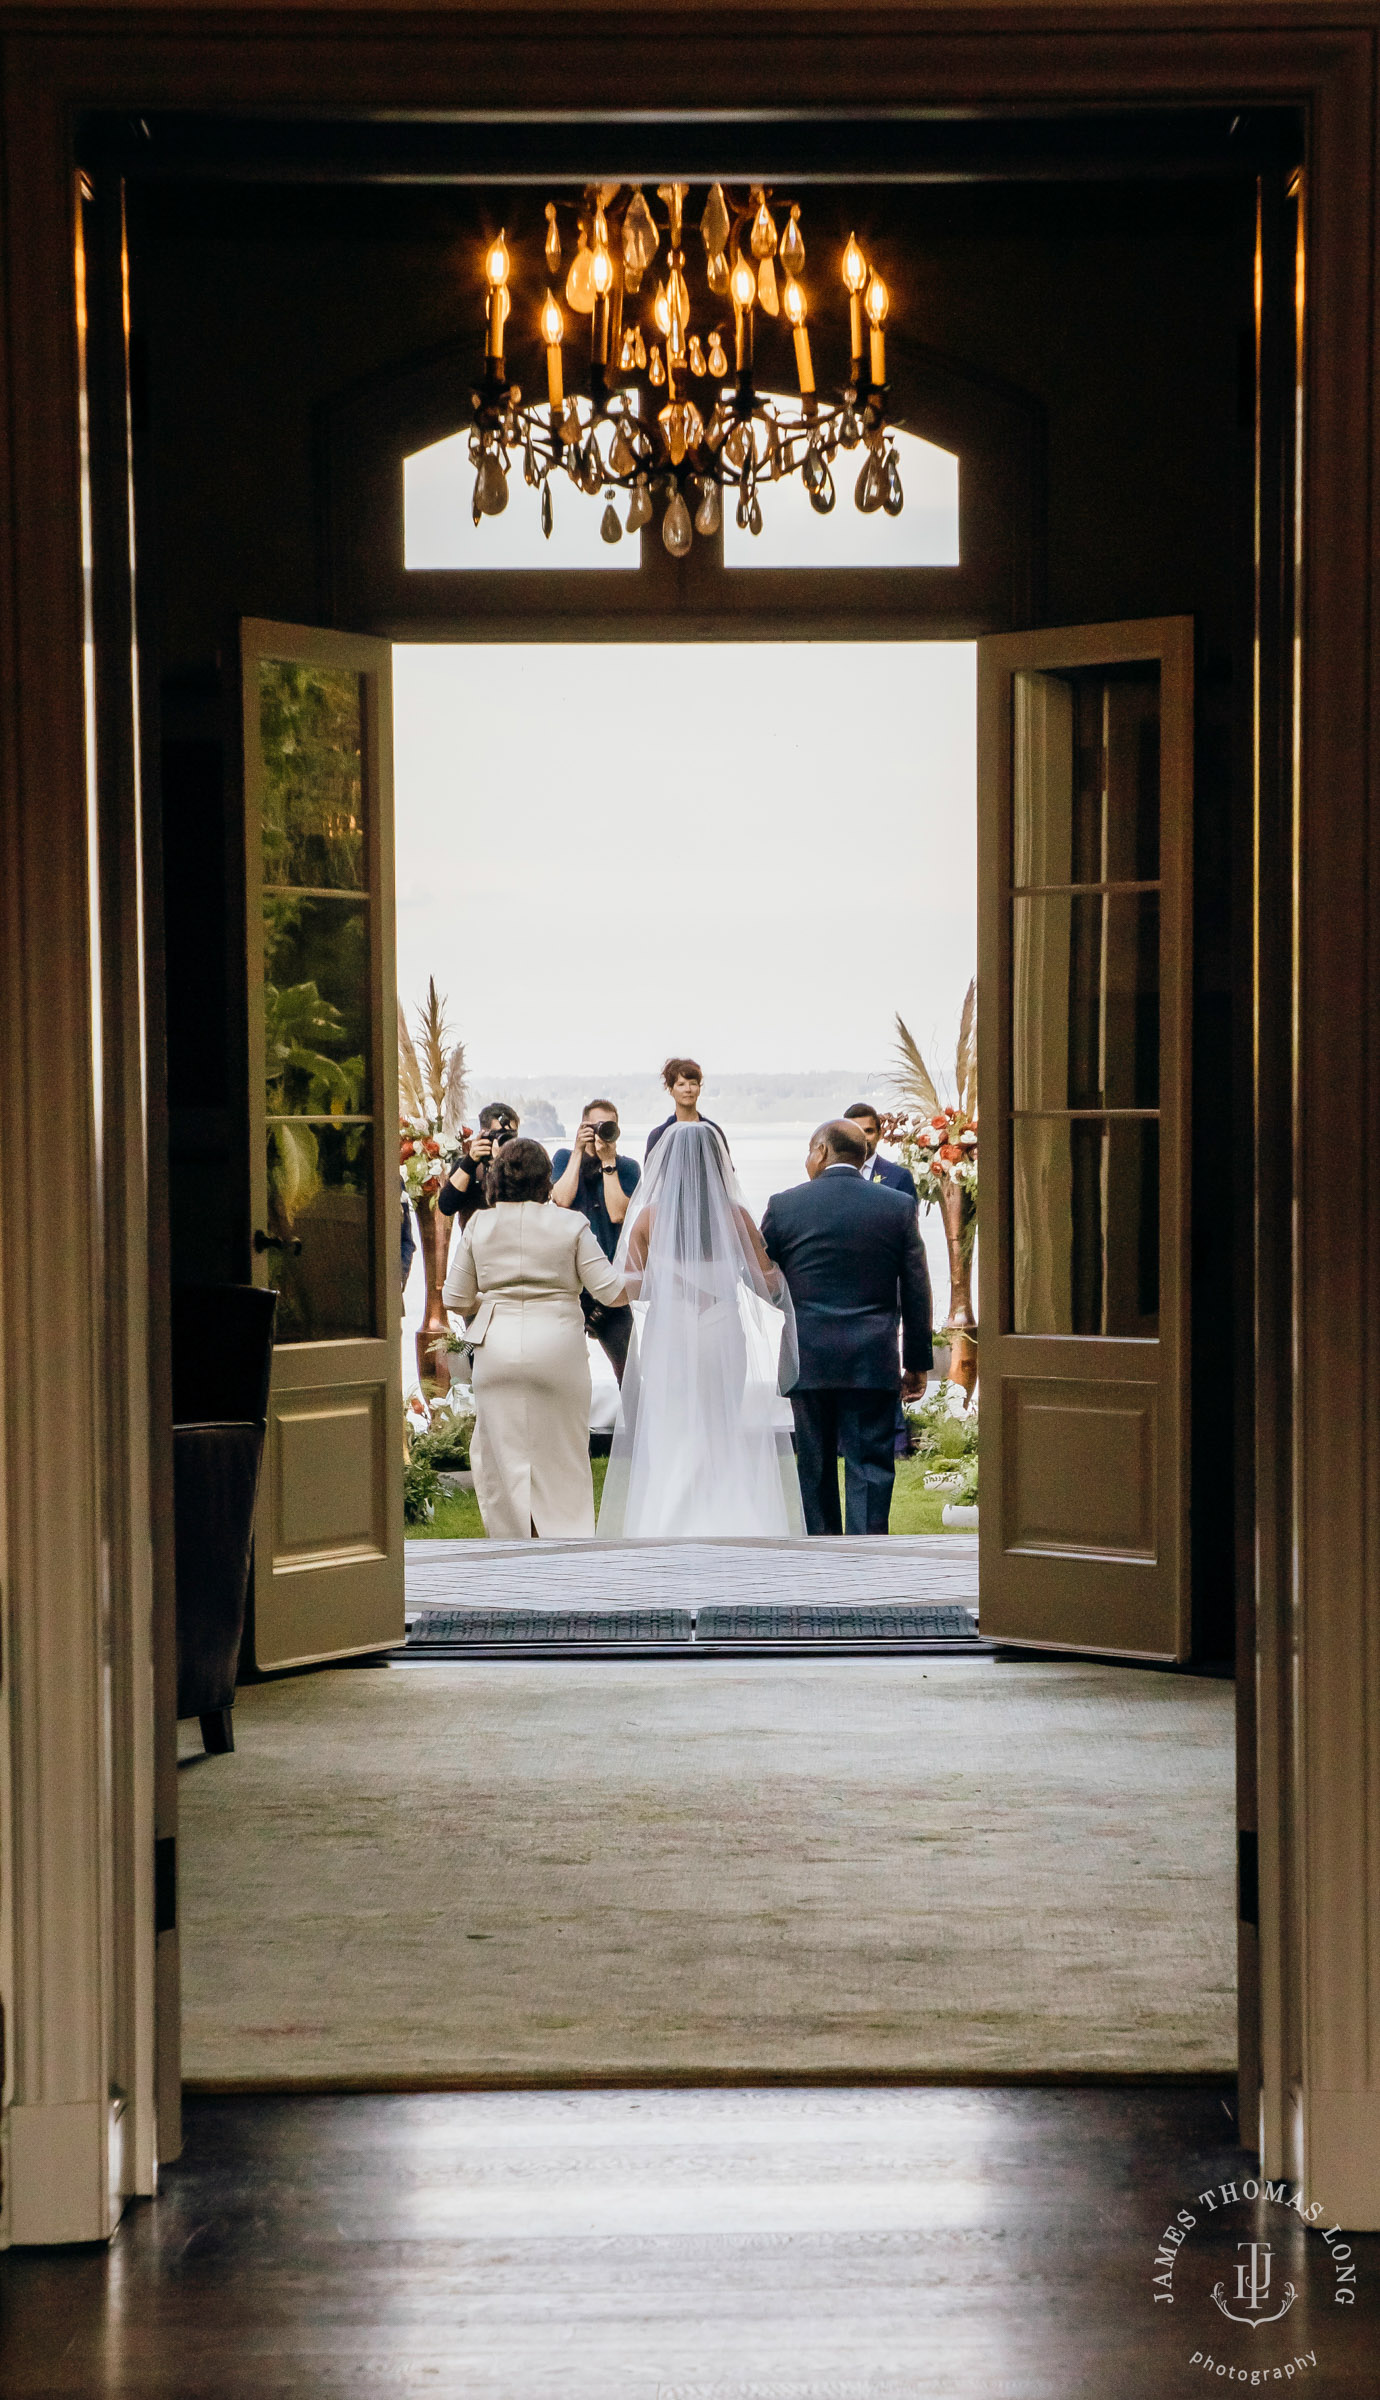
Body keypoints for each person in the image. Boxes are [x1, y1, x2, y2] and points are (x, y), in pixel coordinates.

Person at [598, 1120, 803, 1539]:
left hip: (671, 1333)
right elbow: (767, 1285)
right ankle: (726, 1516)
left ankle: (669, 1520)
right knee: (721, 1425)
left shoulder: (648, 1220)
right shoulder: (736, 1216)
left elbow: (625, 1290)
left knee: (673, 1427)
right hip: (721, 1331)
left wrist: (664, 1276)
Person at [442, 1136, 627, 1539]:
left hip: (497, 1351)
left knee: (502, 1459)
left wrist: (496, 1298)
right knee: (562, 1455)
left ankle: (513, 1553)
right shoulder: (570, 1223)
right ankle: (564, 1549)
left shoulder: (480, 1224)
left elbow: (454, 1298)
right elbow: (611, 1292)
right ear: (547, 1178)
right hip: (558, 1351)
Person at [761, 1119, 933, 1537]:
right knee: (871, 1466)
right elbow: (916, 1288)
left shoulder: (785, 1205)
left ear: (821, 1151)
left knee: (814, 1466)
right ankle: (868, 1561)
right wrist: (917, 1363)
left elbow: (762, 1276)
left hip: (808, 1358)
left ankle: (823, 1560)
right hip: (871, 1357)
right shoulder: (895, 1206)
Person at [550, 1099, 641, 1383]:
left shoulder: (627, 1167)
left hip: (611, 1285)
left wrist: (608, 1162)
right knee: (563, 1373)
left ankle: (635, 1426)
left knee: (629, 1375)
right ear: (582, 1126)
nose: (600, 1132)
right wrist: (578, 1150)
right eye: (594, 1126)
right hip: (570, 1284)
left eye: (608, 1126)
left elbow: (618, 1214)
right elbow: (561, 1200)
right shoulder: (565, 1158)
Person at [436, 1099, 521, 1232]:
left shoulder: (523, 1166)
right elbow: (447, 1206)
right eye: (499, 1135)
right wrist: (470, 1161)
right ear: (484, 1134)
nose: (505, 1141)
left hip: (512, 1243)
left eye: (511, 1137)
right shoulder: (470, 1167)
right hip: (475, 1245)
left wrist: (502, 1164)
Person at [644, 1057, 729, 1161]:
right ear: (671, 1090)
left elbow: (726, 1171)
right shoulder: (658, 1135)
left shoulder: (713, 1131)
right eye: (681, 1084)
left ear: (699, 1089)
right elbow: (651, 1174)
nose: (688, 1089)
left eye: (693, 1083)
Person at [844, 1101, 919, 1200]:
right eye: (855, 1131)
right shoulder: (829, 1178)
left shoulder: (899, 1177)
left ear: (879, 1134)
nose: (863, 1137)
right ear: (844, 1136)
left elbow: (909, 1214)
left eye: (868, 1131)